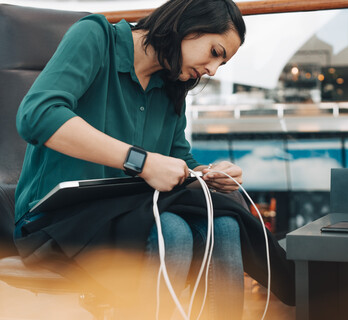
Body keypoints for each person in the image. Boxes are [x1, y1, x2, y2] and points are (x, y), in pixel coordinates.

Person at [13, 0, 248, 319]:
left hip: (129, 218)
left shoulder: (170, 87)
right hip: (53, 222)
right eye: (215, 52)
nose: (212, 70)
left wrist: (208, 175)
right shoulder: (95, 37)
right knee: (172, 230)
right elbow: (37, 115)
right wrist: (140, 161)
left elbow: (178, 162)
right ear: (188, 26)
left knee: (224, 223)